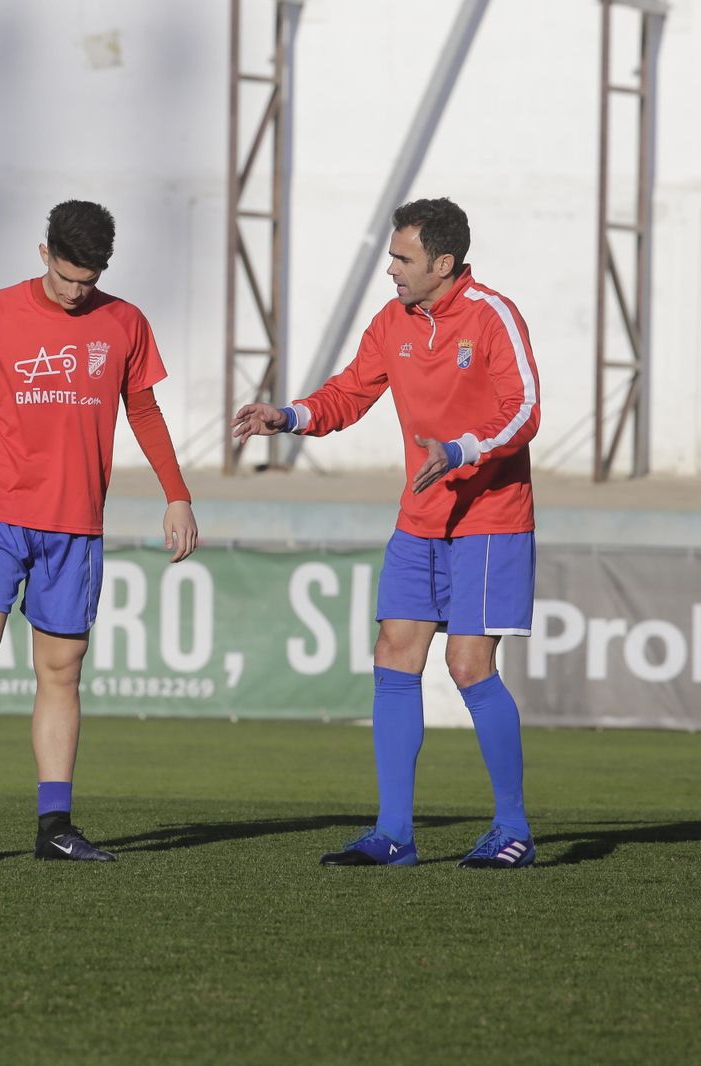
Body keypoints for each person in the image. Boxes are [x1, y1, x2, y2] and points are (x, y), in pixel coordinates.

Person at [232, 197, 540, 869]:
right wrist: (288, 416)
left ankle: (513, 829)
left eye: (403, 258)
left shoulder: (493, 316)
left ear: (443, 263)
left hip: (489, 518)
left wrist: (459, 451)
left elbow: (525, 413)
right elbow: (348, 393)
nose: (392, 269)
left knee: (468, 666)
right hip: (419, 517)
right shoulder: (392, 321)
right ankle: (394, 833)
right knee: (393, 656)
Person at [0, 199, 199, 862]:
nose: (76, 292)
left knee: (61, 670)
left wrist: (177, 495)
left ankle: (54, 826)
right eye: (67, 276)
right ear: (44, 254)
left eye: (89, 280)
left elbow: (144, 410)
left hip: (75, 524)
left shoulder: (125, 322)